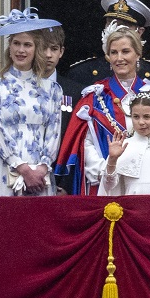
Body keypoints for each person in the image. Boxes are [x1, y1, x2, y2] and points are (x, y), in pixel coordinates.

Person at [56, 26, 150, 195]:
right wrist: (107, 170)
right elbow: (86, 145)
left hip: (148, 186)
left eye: (125, 51)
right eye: (114, 52)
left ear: (138, 54)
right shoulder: (95, 96)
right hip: (106, 185)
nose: (119, 58)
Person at [0, 8, 63, 196]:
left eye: (27, 45)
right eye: (16, 43)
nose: (21, 50)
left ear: (37, 49)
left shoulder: (52, 89)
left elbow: (53, 133)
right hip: (5, 171)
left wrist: (41, 168)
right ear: (10, 46)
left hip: (41, 175)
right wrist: (22, 168)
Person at [64, 0, 150, 91]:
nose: (116, 30)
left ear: (139, 32)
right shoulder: (81, 73)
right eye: (111, 23)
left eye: (124, 25)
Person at [43, 26, 86, 194]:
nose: (48, 54)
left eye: (54, 49)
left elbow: (78, 142)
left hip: (62, 182)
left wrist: (67, 185)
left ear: (61, 52)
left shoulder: (76, 92)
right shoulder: (21, 88)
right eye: (43, 48)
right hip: (26, 179)